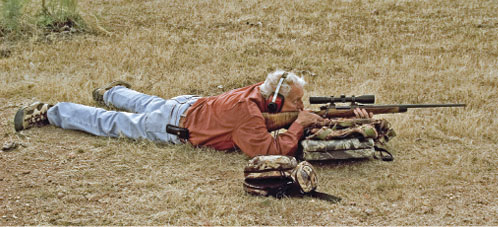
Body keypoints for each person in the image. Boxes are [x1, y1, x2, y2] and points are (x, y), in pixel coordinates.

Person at [14, 70, 372, 157]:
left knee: (144, 100)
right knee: (113, 123)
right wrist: (300, 128)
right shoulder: (248, 114)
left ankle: (110, 91)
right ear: (277, 101)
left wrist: (339, 117)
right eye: (296, 103)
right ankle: (52, 112)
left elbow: (290, 118)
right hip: (173, 124)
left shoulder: (259, 95)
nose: (300, 108)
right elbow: (265, 150)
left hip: (186, 104)